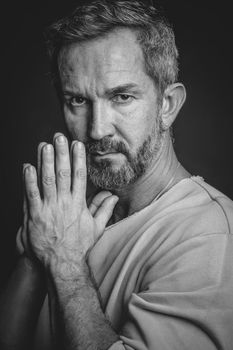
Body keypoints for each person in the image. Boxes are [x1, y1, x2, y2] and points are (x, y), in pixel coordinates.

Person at [0, 0, 233, 349]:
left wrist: (64, 261)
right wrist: (40, 249)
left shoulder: (211, 238)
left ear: (167, 105)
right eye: (78, 101)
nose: (96, 129)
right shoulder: (65, 220)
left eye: (122, 97)